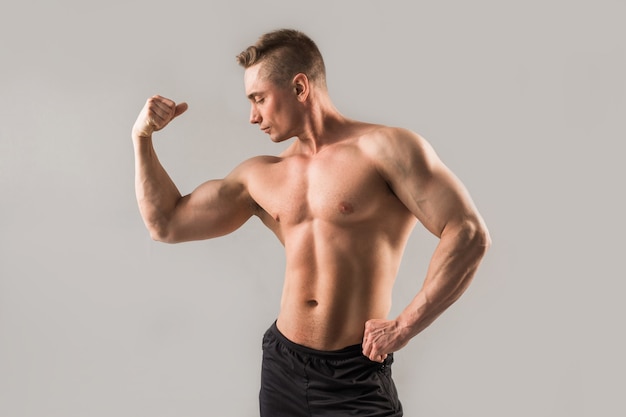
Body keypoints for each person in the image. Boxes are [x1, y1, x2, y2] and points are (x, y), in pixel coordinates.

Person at [131, 29, 491, 417]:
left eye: (260, 99)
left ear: (300, 87)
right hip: (283, 368)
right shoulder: (261, 175)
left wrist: (405, 325)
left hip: (355, 375)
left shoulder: (385, 149)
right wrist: (142, 138)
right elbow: (165, 223)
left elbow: (467, 232)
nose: (253, 116)